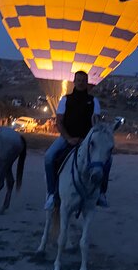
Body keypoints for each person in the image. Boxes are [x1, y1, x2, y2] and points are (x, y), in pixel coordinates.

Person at [44, 70, 109, 210]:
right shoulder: (65, 99)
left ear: (87, 83)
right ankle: (51, 193)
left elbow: (96, 123)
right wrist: (68, 138)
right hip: (67, 138)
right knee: (48, 157)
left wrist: (89, 140)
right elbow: (59, 122)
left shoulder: (93, 101)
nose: (80, 83)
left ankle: (101, 193)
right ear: (74, 81)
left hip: (87, 141)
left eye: (83, 80)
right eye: (78, 80)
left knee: (108, 160)